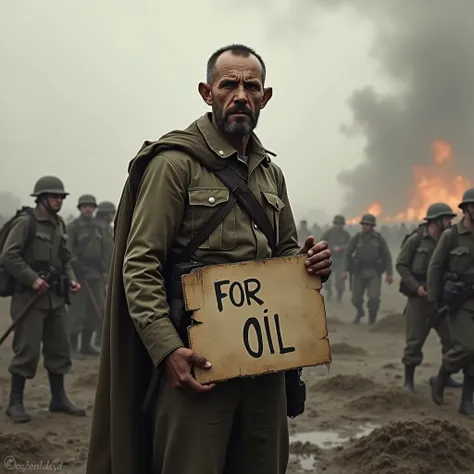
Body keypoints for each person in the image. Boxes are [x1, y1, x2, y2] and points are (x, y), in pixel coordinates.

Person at [85, 44, 332, 474]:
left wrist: (310, 265)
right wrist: (167, 351)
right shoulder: (174, 164)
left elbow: (286, 253)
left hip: (267, 368)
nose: (241, 95)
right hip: (198, 366)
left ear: (265, 97)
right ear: (207, 92)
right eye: (228, 85)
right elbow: (140, 264)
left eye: (251, 86)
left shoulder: (271, 174)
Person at [1, 176, 85, 423]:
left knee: (60, 349)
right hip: (29, 298)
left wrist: (71, 278)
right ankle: (15, 402)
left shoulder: (59, 224)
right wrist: (32, 279)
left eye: (61, 197)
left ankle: (58, 399)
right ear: (41, 198)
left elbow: (64, 259)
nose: (58, 200)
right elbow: (9, 256)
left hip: (55, 299)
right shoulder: (25, 223)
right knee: (26, 350)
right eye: (54, 196)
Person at [396, 203, 461, 392]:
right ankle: (409, 380)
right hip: (419, 300)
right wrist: (415, 287)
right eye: (447, 218)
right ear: (436, 220)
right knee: (414, 342)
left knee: (451, 340)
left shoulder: (450, 239)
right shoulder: (416, 240)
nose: (450, 221)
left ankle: (445, 376)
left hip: (442, 298)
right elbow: (401, 265)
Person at [428, 188, 474, 417]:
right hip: (460, 301)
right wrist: (435, 300)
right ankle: (442, 376)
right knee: (467, 347)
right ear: (465, 209)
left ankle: (467, 402)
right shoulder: (452, 236)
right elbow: (435, 267)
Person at [67, 194, 107, 357]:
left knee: (97, 309)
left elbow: (106, 248)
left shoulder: (99, 227)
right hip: (78, 275)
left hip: (96, 274)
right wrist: (76, 264)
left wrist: (104, 265)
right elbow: (67, 250)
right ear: (80, 208)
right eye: (85, 206)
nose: (88, 209)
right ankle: (72, 347)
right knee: (77, 311)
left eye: (91, 206)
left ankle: (86, 345)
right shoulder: (73, 227)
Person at [342, 213, 393, 324]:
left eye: (368, 224)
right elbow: (347, 254)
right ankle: (360, 312)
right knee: (356, 299)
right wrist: (345, 270)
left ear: (372, 226)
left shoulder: (379, 239)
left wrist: (389, 274)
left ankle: (372, 318)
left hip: (374, 272)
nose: (365, 226)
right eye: (363, 224)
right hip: (358, 272)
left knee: (374, 298)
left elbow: (387, 256)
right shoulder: (356, 238)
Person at [93, 201, 116, 346]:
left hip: (106, 272)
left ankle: (99, 339)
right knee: (99, 307)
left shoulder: (107, 228)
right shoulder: (98, 228)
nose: (113, 216)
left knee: (103, 307)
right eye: (111, 213)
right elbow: (98, 253)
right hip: (97, 273)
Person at [321, 214, 350, 302]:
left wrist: (341, 247)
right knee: (328, 280)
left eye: (340, 224)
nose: (338, 225)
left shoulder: (346, 234)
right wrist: (331, 247)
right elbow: (322, 243)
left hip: (341, 260)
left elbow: (350, 245)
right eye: (337, 223)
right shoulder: (328, 233)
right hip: (329, 259)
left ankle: (339, 295)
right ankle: (329, 292)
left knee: (339, 281)